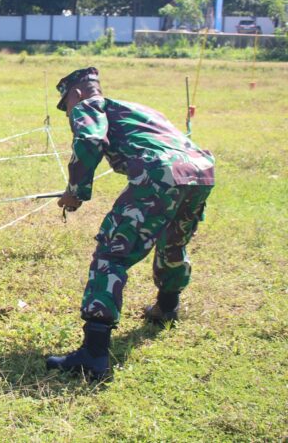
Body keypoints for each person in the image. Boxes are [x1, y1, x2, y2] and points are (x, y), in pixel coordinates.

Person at [44, 67, 215, 380]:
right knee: (172, 241)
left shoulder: (87, 105)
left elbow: (91, 141)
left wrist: (76, 192)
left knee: (112, 253)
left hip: (160, 174)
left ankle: (93, 354)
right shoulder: (139, 109)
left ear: (76, 94)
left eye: (65, 104)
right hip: (200, 171)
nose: (67, 111)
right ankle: (166, 307)